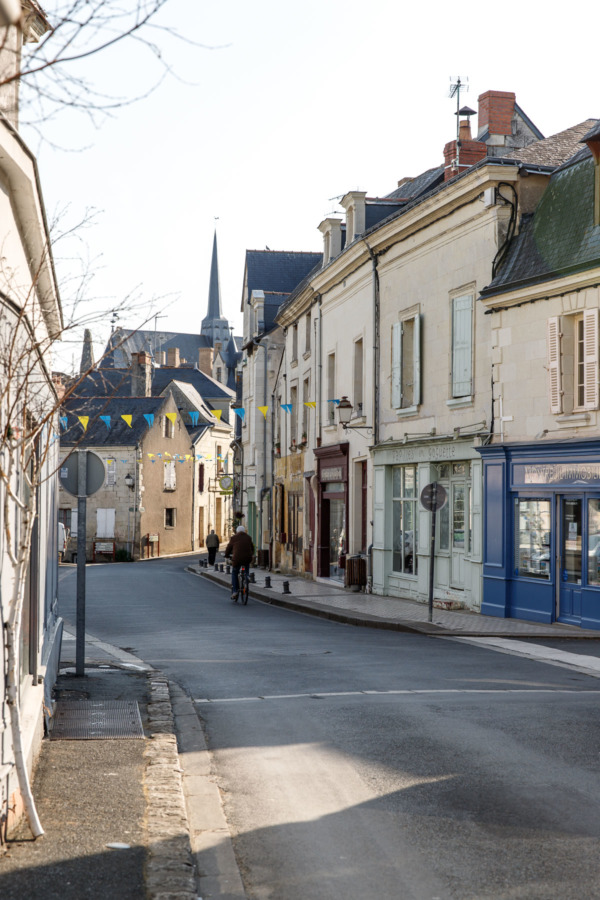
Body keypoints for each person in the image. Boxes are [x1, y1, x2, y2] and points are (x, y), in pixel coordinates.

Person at [224, 525, 255, 601]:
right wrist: (252, 554)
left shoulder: (234, 538)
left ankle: (235, 591)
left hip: (237, 559)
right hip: (247, 558)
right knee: (246, 565)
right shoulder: (248, 537)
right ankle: (247, 576)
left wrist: (226, 555)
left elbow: (229, 547)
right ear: (244, 531)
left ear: (237, 531)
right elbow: (252, 548)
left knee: (235, 573)